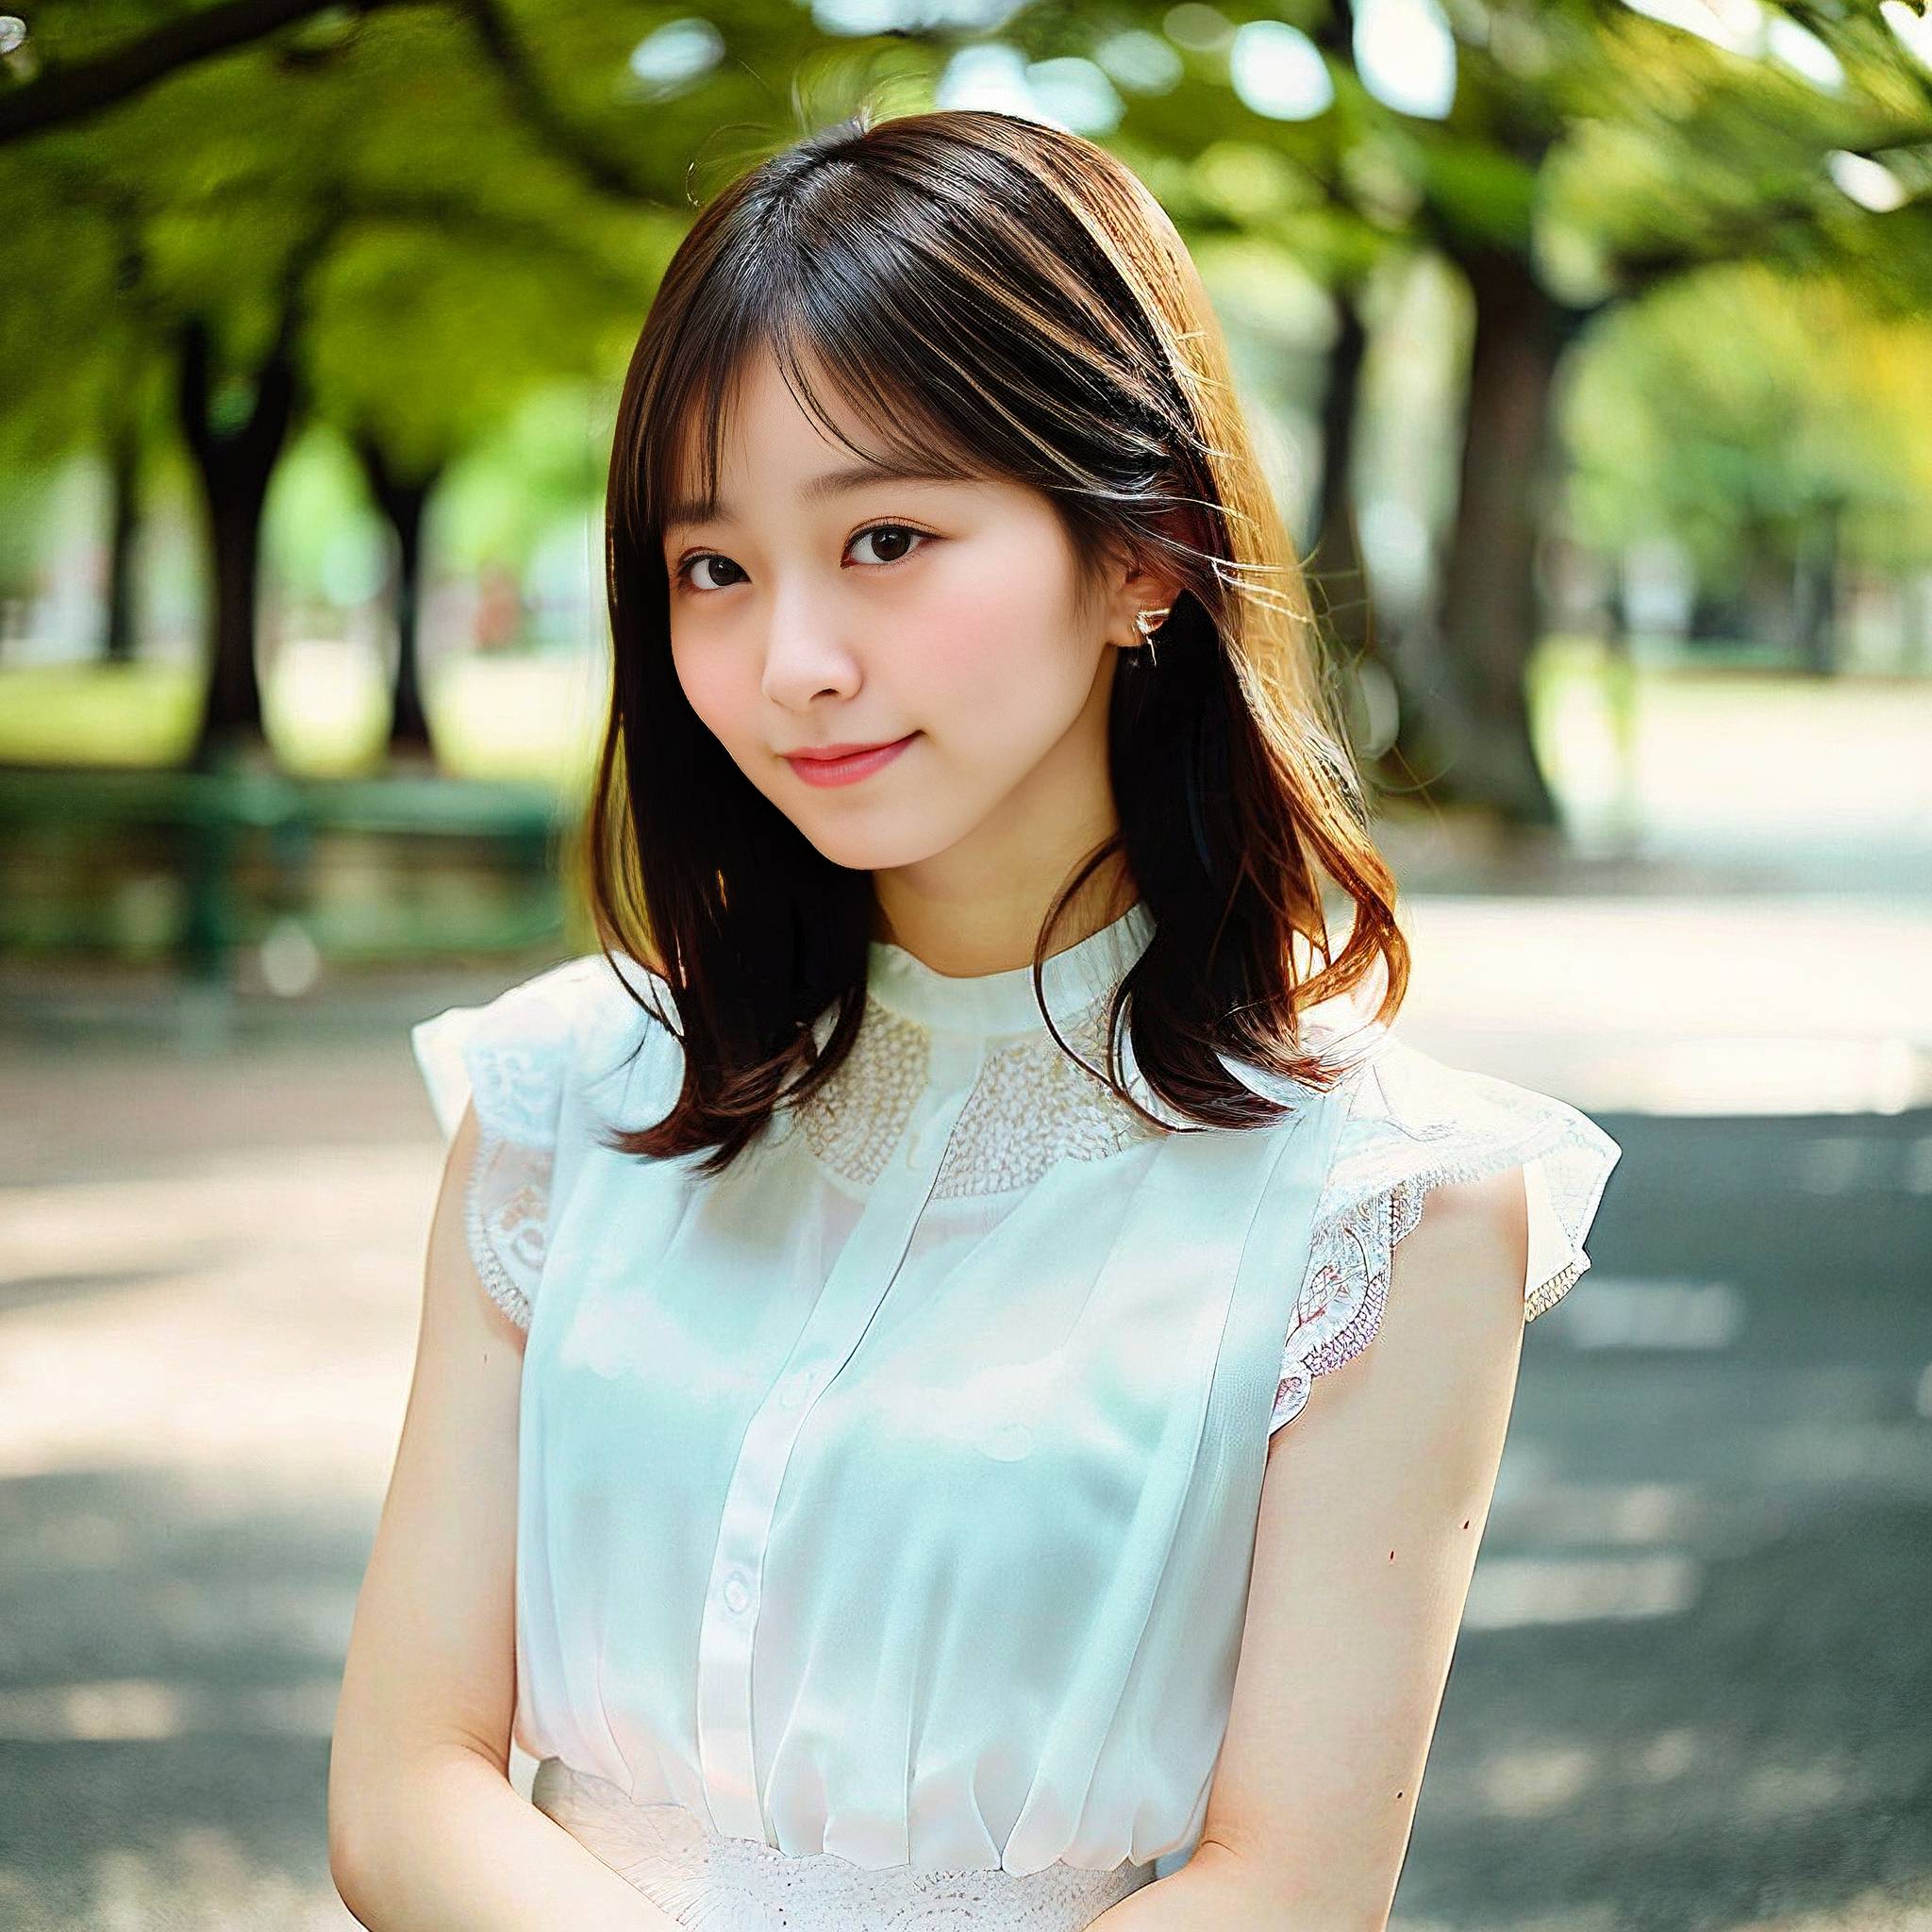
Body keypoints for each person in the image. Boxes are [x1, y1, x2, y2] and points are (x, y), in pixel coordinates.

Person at [327, 105, 1622, 1932]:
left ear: (1143, 552)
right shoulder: (565, 1098)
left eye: (887, 539)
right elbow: (403, 1790)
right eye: (714, 566)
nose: (793, 662)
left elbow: (1288, 1888)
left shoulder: (1386, 1204)